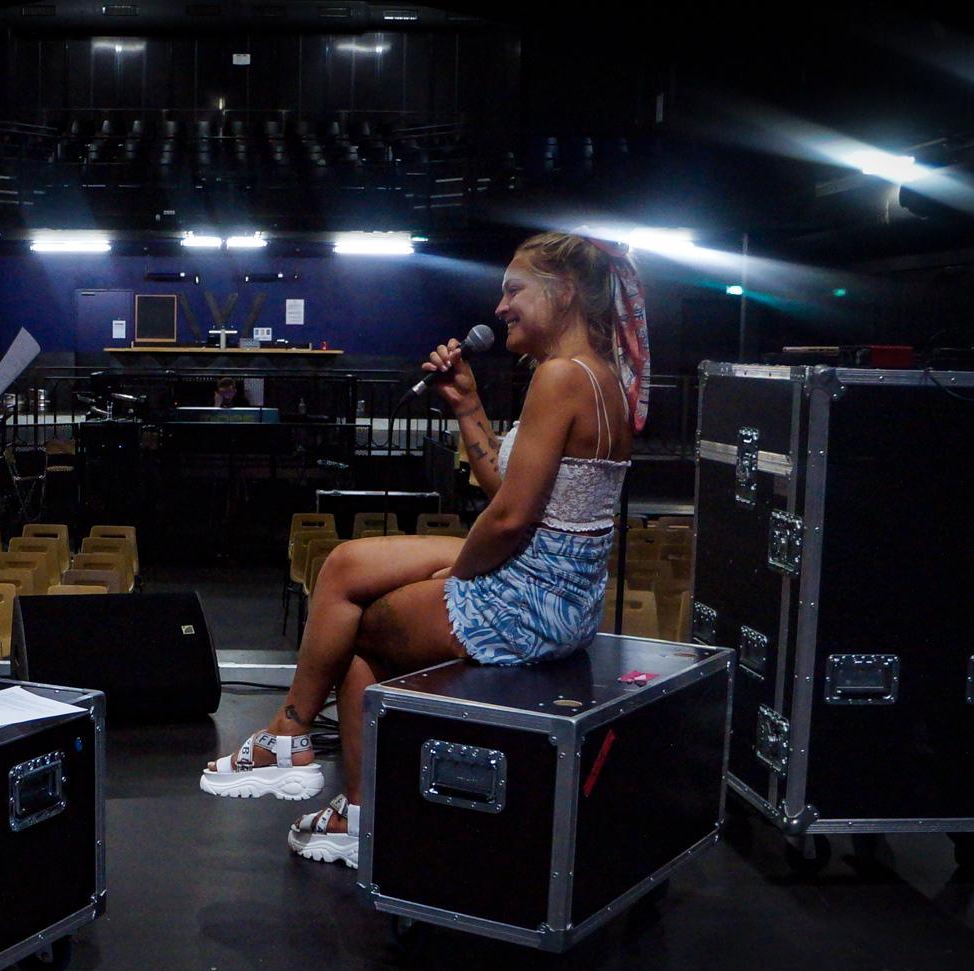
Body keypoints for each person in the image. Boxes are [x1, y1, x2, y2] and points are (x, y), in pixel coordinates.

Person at [199, 231, 651, 868]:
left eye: (514, 291)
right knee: (344, 565)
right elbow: (507, 491)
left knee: (360, 632)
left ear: (566, 292)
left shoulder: (559, 376)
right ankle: (290, 737)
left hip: (531, 598)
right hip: (557, 588)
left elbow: (510, 518)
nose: (500, 308)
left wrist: (457, 575)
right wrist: (467, 402)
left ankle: (346, 801)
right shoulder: (599, 377)